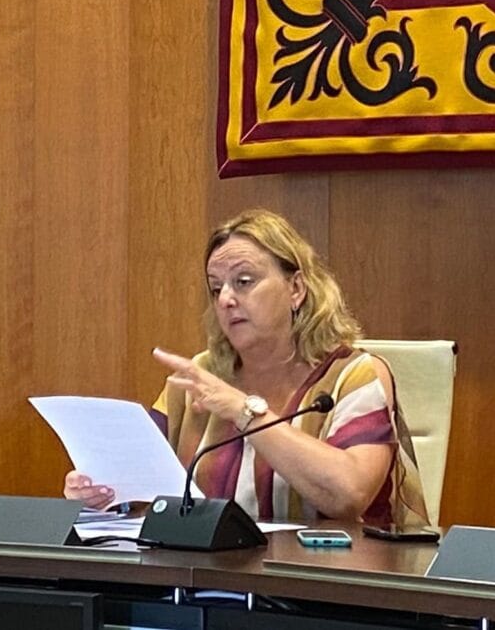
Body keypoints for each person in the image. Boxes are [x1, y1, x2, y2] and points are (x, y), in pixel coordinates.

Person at [64, 209, 430, 526]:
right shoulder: (200, 376)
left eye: (244, 281)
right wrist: (101, 494)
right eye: (215, 287)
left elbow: (349, 495)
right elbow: (143, 485)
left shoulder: (354, 376)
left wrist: (245, 412)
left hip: (325, 591)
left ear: (296, 289)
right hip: (208, 584)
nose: (226, 299)